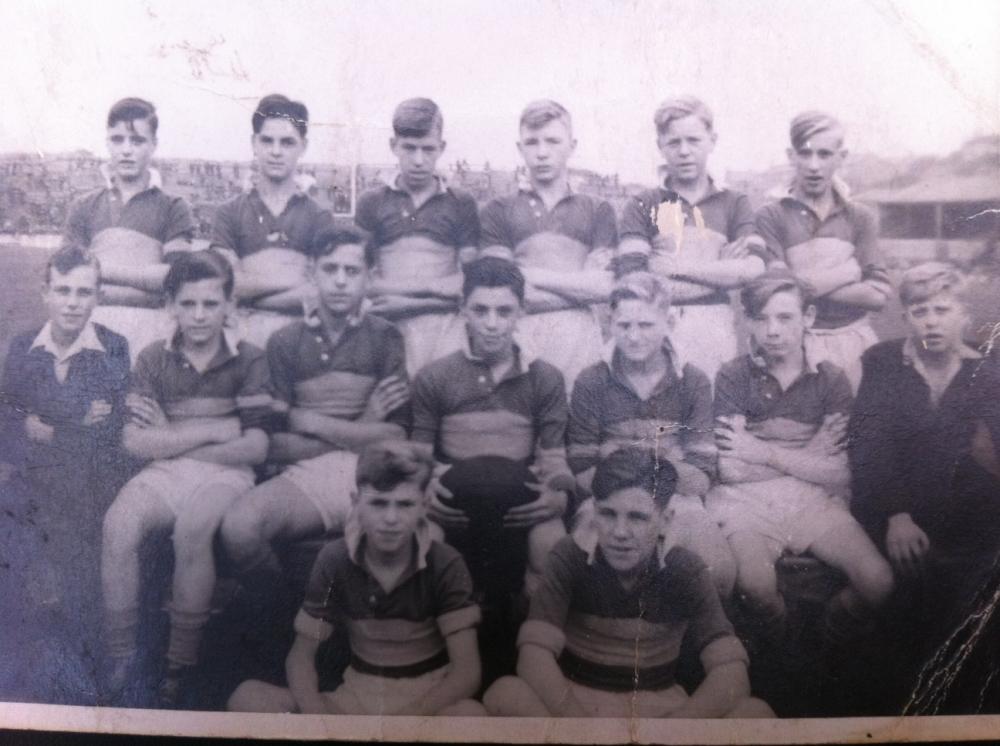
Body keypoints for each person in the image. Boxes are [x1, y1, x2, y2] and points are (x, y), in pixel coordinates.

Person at [100, 250, 272, 706]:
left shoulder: (250, 359)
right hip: (169, 470)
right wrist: (215, 428)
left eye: (211, 304)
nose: (199, 316)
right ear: (170, 305)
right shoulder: (154, 358)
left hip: (228, 473)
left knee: (193, 528)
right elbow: (133, 443)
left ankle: (179, 666)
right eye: (188, 304)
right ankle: (122, 656)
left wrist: (171, 434)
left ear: (229, 305)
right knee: (119, 523)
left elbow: (255, 447)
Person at [483, 448, 774, 718]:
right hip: (576, 705)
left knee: (755, 712)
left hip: (659, 710)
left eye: (637, 517)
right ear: (594, 511)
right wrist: (583, 729)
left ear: (665, 519)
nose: (620, 532)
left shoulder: (685, 569)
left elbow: (731, 671)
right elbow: (534, 657)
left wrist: (675, 729)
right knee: (505, 692)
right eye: (608, 514)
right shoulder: (569, 556)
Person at [227, 441, 485, 716]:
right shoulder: (336, 560)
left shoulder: (444, 563)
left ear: (425, 506)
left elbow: (467, 672)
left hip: (427, 704)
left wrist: (407, 721)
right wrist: (317, 718)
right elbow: (301, 658)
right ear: (356, 502)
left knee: (471, 716)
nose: (390, 518)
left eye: (405, 505)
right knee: (248, 697)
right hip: (356, 701)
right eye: (378, 503)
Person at [411, 255, 573, 686]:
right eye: (480, 310)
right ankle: (431, 665)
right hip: (451, 499)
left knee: (553, 547)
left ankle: (536, 665)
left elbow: (555, 458)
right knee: (421, 544)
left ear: (522, 312)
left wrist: (558, 496)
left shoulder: (545, 378)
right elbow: (419, 456)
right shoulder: (435, 377)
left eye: (504, 311)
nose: (492, 323)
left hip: (521, 496)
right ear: (463, 309)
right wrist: (423, 492)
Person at [706, 269, 893, 643]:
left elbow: (840, 474)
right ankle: (783, 639)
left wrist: (762, 451)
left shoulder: (831, 379)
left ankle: (828, 634)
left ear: (808, 318)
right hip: (746, 504)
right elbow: (729, 468)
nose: (772, 330)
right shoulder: (733, 375)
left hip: (813, 503)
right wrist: (808, 457)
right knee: (757, 586)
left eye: (785, 317)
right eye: (761, 319)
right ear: (748, 323)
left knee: (878, 582)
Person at [849, 263, 1000, 711]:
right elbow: (870, 448)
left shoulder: (988, 369)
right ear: (905, 317)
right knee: (912, 593)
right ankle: (902, 703)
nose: (930, 321)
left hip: (969, 518)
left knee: (974, 590)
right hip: (898, 514)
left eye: (941, 309)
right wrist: (896, 515)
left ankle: (964, 703)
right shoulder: (882, 364)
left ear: (963, 315)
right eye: (918, 311)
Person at [221, 227, 409, 581]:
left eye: (352, 271)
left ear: (370, 277)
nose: (340, 281)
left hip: (373, 474)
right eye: (329, 268)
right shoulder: (285, 341)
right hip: (308, 476)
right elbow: (273, 445)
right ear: (311, 272)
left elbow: (396, 437)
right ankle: (284, 616)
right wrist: (362, 426)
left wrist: (308, 420)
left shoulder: (386, 336)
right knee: (239, 528)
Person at [0, 246, 130, 702]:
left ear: (97, 297)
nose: (73, 302)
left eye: (84, 292)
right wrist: (65, 417)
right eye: (63, 291)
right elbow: (5, 428)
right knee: (7, 547)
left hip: (85, 488)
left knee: (79, 569)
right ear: (45, 294)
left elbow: (109, 437)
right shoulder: (23, 346)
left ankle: (86, 680)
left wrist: (41, 424)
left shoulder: (112, 346)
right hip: (30, 486)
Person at [567, 272, 735, 597]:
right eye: (624, 325)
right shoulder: (591, 380)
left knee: (720, 572)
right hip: (606, 502)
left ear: (669, 320)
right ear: (608, 323)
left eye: (645, 325)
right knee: (580, 571)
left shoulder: (692, 381)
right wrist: (668, 460)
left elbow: (701, 479)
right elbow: (583, 473)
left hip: (678, 502)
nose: (633, 337)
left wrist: (621, 456)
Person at [617, 96, 766, 385]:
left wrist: (671, 269)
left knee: (710, 415)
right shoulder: (643, 203)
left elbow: (753, 271)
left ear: (712, 140)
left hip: (716, 328)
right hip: (657, 327)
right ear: (660, 145)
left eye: (694, 140)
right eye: (674, 143)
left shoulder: (734, 202)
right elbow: (634, 279)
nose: (684, 151)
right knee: (659, 421)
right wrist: (720, 271)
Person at [479, 100, 617, 391]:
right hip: (520, 342)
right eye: (532, 142)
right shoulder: (498, 209)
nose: (542, 152)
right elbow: (503, 293)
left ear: (572, 145)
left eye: (553, 141)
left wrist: (528, 274)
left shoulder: (598, 209)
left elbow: (605, 288)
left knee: (577, 431)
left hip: (580, 345)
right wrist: (581, 288)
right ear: (520, 148)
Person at [755, 111, 891, 392]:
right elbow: (781, 292)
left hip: (855, 341)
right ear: (791, 156)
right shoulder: (771, 214)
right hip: (796, 344)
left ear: (841, 157)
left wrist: (803, 282)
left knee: (857, 428)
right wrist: (847, 272)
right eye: (805, 154)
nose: (814, 165)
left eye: (825, 154)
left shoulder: (859, 216)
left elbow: (878, 294)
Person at [63, 97, 195, 364]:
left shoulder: (174, 207)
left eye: (137, 141)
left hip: (151, 331)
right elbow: (70, 278)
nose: (126, 150)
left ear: (153, 145)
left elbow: (175, 278)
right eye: (118, 139)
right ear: (108, 143)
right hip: (91, 329)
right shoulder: (83, 206)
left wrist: (98, 271)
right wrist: (145, 278)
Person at [354, 98, 480, 375]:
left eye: (428, 149)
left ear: (442, 148)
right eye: (409, 149)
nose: (419, 160)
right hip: (386, 326)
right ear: (393, 145)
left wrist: (407, 301)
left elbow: (471, 283)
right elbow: (361, 278)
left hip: (444, 332)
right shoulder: (371, 202)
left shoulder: (461, 203)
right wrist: (436, 290)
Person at [211, 94, 334, 349]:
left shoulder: (319, 217)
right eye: (267, 141)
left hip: (300, 342)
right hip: (240, 344)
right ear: (254, 143)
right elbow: (226, 286)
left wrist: (250, 295)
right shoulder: (229, 212)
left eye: (287, 142)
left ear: (303, 146)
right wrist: (293, 282)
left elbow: (320, 293)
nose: (276, 152)